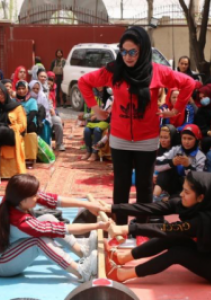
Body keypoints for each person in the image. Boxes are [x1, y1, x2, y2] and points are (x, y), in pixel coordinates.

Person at [78, 26, 196, 235]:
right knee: (120, 186)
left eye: (133, 51)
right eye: (124, 51)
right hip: (119, 139)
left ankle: (142, 229)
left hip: (147, 139)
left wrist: (176, 110)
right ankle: (120, 228)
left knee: (144, 187)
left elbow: (188, 82)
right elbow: (84, 82)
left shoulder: (157, 71)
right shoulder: (114, 70)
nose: (128, 57)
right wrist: (95, 109)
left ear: (143, 50)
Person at [101, 172, 211, 285]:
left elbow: (166, 228)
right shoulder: (194, 204)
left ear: (201, 197)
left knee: (177, 252)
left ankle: (122, 275)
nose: (182, 195)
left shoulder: (209, 219)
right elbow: (153, 207)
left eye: (187, 192)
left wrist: (128, 228)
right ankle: (121, 257)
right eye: (182, 190)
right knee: (174, 237)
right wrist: (113, 207)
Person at [0, 173, 110, 282]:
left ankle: (83, 251)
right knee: (38, 241)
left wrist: (88, 204)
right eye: (34, 195)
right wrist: (98, 226)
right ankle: (82, 272)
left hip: (9, 248)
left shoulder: (14, 197)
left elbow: (54, 200)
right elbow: (62, 229)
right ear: (23, 200)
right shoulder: (21, 222)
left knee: (47, 217)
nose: (38, 197)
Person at [154, 124, 206, 200]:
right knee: (166, 169)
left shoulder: (201, 156)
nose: (186, 142)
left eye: (190, 139)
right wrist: (172, 162)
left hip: (189, 187)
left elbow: (198, 181)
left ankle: (169, 199)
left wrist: (188, 166)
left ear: (196, 140)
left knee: (186, 196)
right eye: (184, 138)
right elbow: (157, 164)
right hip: (175, 184)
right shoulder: (176, 149)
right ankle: (154, 197)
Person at [81, 88, 110, 161]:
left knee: (97, 130)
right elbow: (89, 115)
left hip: (104, 121)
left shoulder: (108, 99)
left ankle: (95, 153)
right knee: (86, 130)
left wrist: (97, 116)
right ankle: (88, 151)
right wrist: (83, 116)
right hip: (94, 121)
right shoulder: (94, 99)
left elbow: (108, 114)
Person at [46, 71, 65, 151]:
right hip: (43, 112)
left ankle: (59, 144)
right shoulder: (40, 88)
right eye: (48, 79)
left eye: (51, 79)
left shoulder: (54, 88)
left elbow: (53, 104)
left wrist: (54, 112)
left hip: (52, 110)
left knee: (58, 122)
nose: (49, 81)